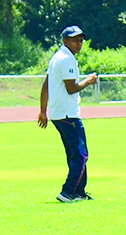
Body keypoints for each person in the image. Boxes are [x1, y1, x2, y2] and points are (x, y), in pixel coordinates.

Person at [37, 25, 99, 202]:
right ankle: (68, 192)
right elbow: (71, 88)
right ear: (65, 41)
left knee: (75, 154)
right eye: (74, 40)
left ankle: (79, 192)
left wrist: (43, 110)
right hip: (68, 114)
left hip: (59, 113)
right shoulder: (66, 59)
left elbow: (46, 84)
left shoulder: (57, 57)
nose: (79, 43)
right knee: (80, 154)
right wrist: (88, 81)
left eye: (80, 40)